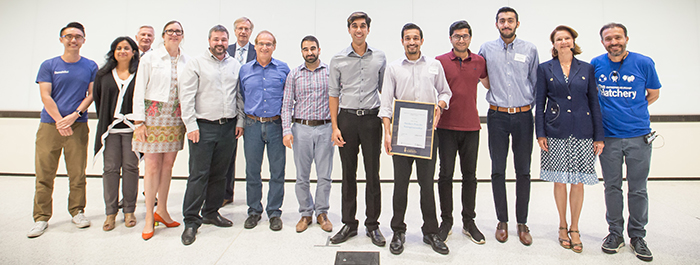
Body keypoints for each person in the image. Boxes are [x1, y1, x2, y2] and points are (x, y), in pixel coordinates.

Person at [380, 23, 452, 255]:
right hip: (402, 135)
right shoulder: (393, 68)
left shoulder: (434, 65)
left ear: (422, 41)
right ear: (402, 41)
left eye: (416, 38)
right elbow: (386, 105)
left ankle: (430, 231)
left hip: (428, 135)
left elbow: (445, 92)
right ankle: (398, 231)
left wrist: (440, 105)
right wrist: (387, 133)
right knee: (400, 185)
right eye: (407, 38)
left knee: (426, 185)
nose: (412, 42)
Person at [591, 23, 661, 262]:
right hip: (608, 138)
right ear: (603, 43)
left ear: (626, 38)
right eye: (608, 39)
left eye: (617, 37)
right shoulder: (596, 64)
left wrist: (633, 110)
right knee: (612, 187)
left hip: (638, 137)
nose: (613, 42)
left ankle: (638, 236)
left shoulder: (644, 63)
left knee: (638, 189)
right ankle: (615, 234)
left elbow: (653, 93)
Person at [535, 25, 605, 253]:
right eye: (559, 39)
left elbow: (594, 102)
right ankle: (562, 225)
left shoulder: (587, 68)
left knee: (578, 181)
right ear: (553, 44)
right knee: (559, 180)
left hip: (583, 131)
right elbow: (539, 104)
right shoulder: (545, 68)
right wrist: (541, 133)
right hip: (555, 131)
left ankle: (575, 228)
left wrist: (599, 136)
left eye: (567, 38)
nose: (563, 42)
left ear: (573, 41)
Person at [27, 22, 98, 238]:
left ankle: (77, 211)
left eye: (78, 36)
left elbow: (92, 95)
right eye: (69, 36)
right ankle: (41, 218)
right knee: (44, 174)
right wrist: (59, 121)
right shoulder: (48, 65)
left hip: (77, 126)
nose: (73, 40)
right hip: (50, 126)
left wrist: (74, 116)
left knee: (77, 173)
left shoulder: (90, 66)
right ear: (61, 39)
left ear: (84, 40)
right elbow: (45, 95)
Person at [179, 25, 244, 245]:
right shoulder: (196, 63)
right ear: (209, 41)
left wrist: (240, 121)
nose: (220, 43)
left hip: (228, 127)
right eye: (216, 39)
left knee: (220, 174)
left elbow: (239, 96)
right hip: (203, 127)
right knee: (198, 174)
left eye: (224, 40)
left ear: (228, 42)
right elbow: (186, 96)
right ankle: (190, 220)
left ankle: (211, 212)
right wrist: (191, 125)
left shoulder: (235, 65)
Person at [478, 6, 539, 246]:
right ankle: (502, 220)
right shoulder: (486, 49)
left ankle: (522, 223)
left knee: (523, 170)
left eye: (510, 20)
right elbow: (484, 80)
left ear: (517, 23)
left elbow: (535, 83)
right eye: (502, 21)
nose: (506, 24)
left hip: (524, 116)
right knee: (498, 170)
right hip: (497, 116)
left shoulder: (530, 49)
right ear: (496, 24)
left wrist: (525, 107)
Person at [329, 11, 387, 247]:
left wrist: (389, 125)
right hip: (348, 120)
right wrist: (335, 127)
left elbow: (387, 92)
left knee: (373, 174)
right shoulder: (338, 59)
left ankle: (372, 226)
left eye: (363, 26)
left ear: (368, 29)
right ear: (349, 29)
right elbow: (333, 94)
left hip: (372, 120)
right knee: (348, 174)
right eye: (355, 26)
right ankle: (349, 224)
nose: (359, 30)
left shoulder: (380, 57)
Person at [131, 20, 189, 240]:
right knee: (152, 166)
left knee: (168, 165)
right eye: (170, 31)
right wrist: (139, 122)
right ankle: (148, 217)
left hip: (175, 117)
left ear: (182, 36)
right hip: (152, 116)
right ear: (163, 35)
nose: (174, 34)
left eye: (178, 31)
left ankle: (162, 210)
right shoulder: (150, 58)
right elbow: (138, 90)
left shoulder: (187, 59)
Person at [435, 20, 489, 244]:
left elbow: (487, 84)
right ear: (450, 38)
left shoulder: (479, 61)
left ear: (470, 38)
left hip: (471, 127)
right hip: (445, 127)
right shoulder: (439, 62)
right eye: (457, 36)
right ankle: (446, 221)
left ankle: (469, 222)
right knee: (445, 176)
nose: (461, 40)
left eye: (465, 36)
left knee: (470, 177)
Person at [281, 35, 334, 233]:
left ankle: (322, 213)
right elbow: (286, 105)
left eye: (313, 48)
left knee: (324, 176)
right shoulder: (294, 74)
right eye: (305, 49)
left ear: (319, 50)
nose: (309, 52)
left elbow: (338, 101)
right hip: (301, 129)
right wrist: (287, 131)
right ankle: (305, 213)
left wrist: (336, 129)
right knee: (302, 176)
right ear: (301, 52)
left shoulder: (330, 73)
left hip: (325, 128)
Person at [240, 30, 290, 231]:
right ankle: (254, 210)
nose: (264, 47)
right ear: (255, 46)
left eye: (269, 44)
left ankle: (274, 212)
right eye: (261, 43)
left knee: (277, 171)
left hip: (276, 125)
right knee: (253, 171)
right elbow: (241, 96)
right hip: (252, 125)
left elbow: (288, 99)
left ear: (274, 47)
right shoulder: (244, 70)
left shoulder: (283, 69)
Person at [93, 36, 141, 231]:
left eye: (126, 48)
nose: (122, 51)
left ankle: (129, 210)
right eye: (119, 48)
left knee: (131, 168)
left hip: (132, 130)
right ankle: (110, 213)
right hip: (110, 130)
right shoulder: (103, 75)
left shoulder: (139, 74)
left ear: (134, 52)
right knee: (110, 169)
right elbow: (98, 99)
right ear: (113, 52)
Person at [222, 17, 257, 207]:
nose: (243, 31)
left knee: (252, 156)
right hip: (228, 106)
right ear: (234, 31)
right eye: (240, 28)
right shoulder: (225, 51)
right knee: (227, 153)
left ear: (251, 31)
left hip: (251, 108)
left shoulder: (257, 51)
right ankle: (226, 193)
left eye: (246, 28)